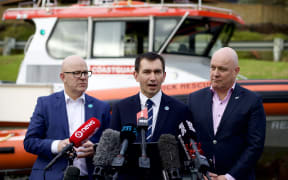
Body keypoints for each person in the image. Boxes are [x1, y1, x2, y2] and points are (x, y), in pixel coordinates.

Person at [24, 55, 111, 180]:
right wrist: (57, 145)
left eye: (85, 73)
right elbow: (29, 142)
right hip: (51, 175)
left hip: (89, 176)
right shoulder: (45, 104)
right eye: (76, 73)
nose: (83, 77)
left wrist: (96, 149)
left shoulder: (101, 107)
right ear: (63, 77)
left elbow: (112, 145)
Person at [110, 52, 192, 179]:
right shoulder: (121, 108)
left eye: (157, 72)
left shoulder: (180, 109)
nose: (153, 78)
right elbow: (112, 148)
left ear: (164, 76)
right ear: (136, 75)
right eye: (147, 72)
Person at [188, 47, 266, 180]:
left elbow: (255, 146)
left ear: (236, 71)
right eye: (213, 68)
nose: (215, 73)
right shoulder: (194, 99)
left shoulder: (252, 101)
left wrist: (229, 177)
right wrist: (200, 172)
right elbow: (188, 139)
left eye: (222, 69)